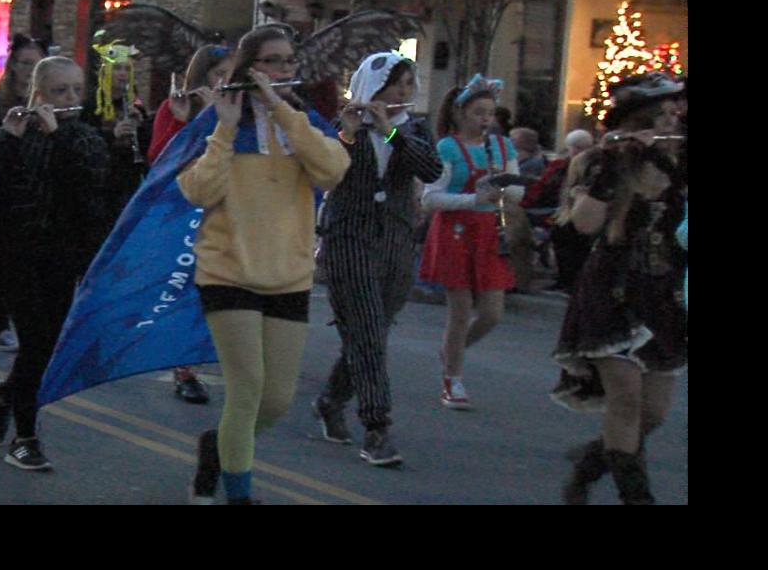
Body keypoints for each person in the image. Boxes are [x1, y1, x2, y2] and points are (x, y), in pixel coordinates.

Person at [179, 27, 349, 504]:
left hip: (289, 275)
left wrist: (284, 111)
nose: (285, 70)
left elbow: (332, 170)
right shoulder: (220, 119)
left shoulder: (303, 121)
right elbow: (198, 191)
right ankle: (239, 495)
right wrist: (225, 127)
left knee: (275, 401)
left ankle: (218, 448)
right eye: (274, 61)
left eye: (290, 61)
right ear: (251, 67)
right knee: (247, 388)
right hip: (227, 271)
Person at [0, 56, 109, 471]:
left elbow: (89, 193)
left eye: (77, 90)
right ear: (39, 93)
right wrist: (6, 137)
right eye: (60, 91)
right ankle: (25, 437)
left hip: (62, 258)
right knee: (37, 343)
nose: (71, 98)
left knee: (44, 347)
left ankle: (9, 394)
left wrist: (60, 136)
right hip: (17, 256)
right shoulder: (17, 134)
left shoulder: (82, 137)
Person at [552, 72, 686, 506]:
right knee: (625, 399)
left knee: (653, 412)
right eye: (662, 114)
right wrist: (616, 164)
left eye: (675, 112)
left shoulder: (679, 162)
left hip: (663, 293)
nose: (673, 120)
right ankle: (637, 498)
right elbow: (584, 224)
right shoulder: (604, 162)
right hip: (613, 289)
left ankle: (590, 466)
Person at [313, 52, 442, 465]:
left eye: (408, 84)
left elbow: (431, 169)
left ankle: (332, 399)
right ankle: (377, 426)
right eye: (394, 84)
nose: (402, 92)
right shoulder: (343, 127)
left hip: (395, 242)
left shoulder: (412, 129)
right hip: (350, 238)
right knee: (366, 330)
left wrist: (390, 133)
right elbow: (328, 173)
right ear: (373, 87)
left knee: (373, 332)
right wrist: (349, 135)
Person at [419, 74, 523, 410]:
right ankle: (453, 378)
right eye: (479, 113)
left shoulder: (502, 147)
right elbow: (430, 198)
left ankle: (452, 352)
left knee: (492, 313)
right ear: (461, 113)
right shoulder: (447, 147)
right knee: (460, 311)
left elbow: (518, 189)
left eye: (490, 114)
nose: (485, 120)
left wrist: (504, 192)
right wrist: (471, 198)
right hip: (455, 231)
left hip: (490, 231)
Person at [146, 44, 234, 404]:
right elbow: (161, 160)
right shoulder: (178, 107)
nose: (225, 82)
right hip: (185, 211)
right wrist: (189, 122)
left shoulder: (238, 110)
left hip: (227, 212)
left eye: (231, 74)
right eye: (218, 75)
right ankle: (186, 369)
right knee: (188, 290)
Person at [0, 34, 46, 353]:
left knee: (32, 263)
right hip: (4, 193)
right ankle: (1, 322)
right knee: (4, 262)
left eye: (37, 64)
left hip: (38, 191)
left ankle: (28, 319)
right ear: (13, 65)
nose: (30, 71)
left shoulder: (49, 101)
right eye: (25, 63)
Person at [89, 38, 150, 228]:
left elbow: (148, 146)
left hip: (128, 179)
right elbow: (86, 143)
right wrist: (112, 134)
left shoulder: (134, 105)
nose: (123, 74)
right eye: (117, 68)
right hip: (102, 183)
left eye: (127, 69)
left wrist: (141, 127)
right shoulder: (91, 104)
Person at [524, 128, 594, 292]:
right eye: (575, 147)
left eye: (582, 147)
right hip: (557, 208)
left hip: (575, 209)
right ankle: (564, 278)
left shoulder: (592, 165)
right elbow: (543, 186)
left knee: (571, 237)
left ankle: (571, 279)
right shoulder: (560, 164)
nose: (577, 151)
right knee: (561, 234)